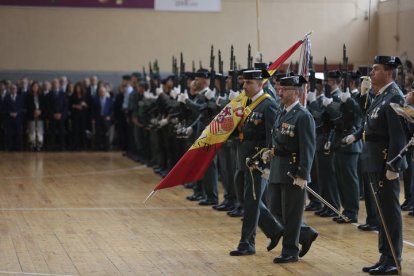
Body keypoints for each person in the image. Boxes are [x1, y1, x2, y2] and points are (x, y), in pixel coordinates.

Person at [356, 56, 407, 275]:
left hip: (385, 161)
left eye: (375, 69)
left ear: (388, 72)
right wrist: (362, 96)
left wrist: (394, 165)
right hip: (373, 160)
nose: (371, 73)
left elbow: (399, 136)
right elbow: (367, 119)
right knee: (381, 213)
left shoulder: (394, 95)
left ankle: (393, 259)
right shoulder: (380, 95)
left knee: (389, 212)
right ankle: (384, 255)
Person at [229, 69, 283, 256]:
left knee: (252, 202)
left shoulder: (268, 105)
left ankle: (247, 243)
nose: (244, 86)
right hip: (243, 158)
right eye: (244, 82)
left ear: (261, 84)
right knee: (244, 199)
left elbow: (272, 137)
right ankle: (275, 230)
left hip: (257, 162)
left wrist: (268, 165)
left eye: (249, 83)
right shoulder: (247, 103)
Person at [266, 75, 317, 263]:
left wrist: (303, 174)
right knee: (274, 208)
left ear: (296, 92)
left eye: (284, 89)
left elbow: (308, 148)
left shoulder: (303, 116)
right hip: (278, 168)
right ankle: (305, 234)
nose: (280, 92)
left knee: (291, 213)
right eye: (279, 88)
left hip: (293, 171)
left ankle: (290, 250)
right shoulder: (282, 112)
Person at [26, 81, 46, 151]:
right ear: (31, 88)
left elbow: (44, 106)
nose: (35, 88)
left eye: (36, 86)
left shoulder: (42, 96)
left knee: (39, 131)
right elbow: (27, 106)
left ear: (38, 88)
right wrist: (33, 112)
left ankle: (39, 145)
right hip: (31, 115)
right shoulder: (28, 96)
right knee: (32, 131)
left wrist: (40, 111)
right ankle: (32, 145)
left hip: (40, 115)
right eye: (34, 86)